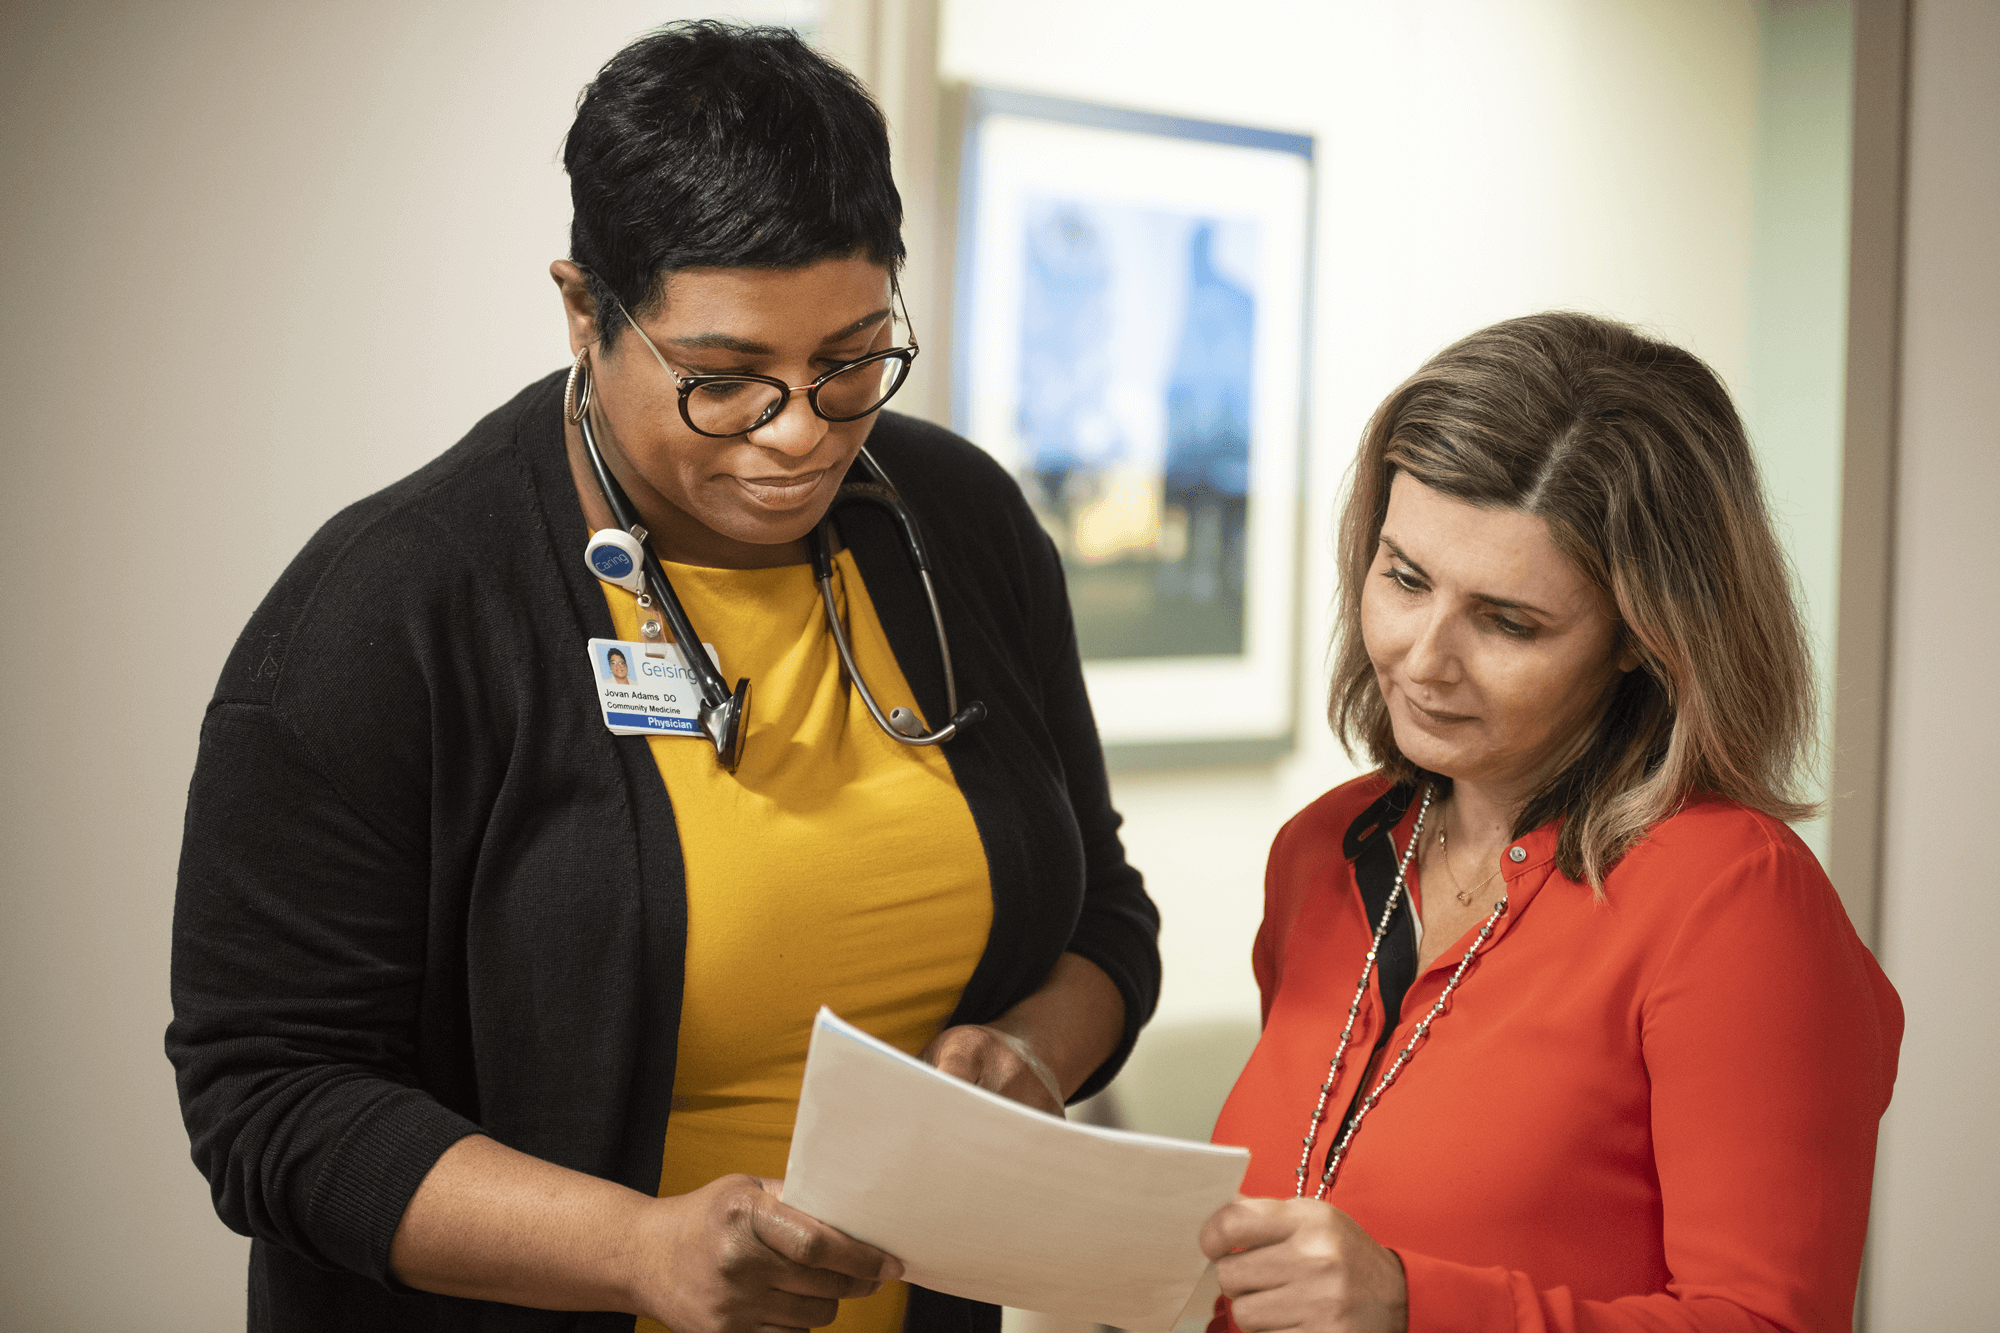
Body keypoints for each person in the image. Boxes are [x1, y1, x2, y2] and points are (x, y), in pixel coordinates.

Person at [167, 22, 1158, 1333]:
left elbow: (1105, 915)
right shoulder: (387, 616)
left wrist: (1031, 1053)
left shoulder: (957, 527)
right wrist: (640, 1252)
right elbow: (274, 1099)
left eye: (853, 358)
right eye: (725, 379)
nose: (802, 433)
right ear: (586, 311)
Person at [1197, 313, 1900, 1333]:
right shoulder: (1323, 852)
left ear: (1641, 639)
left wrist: (1414, 1305)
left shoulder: (1735, 897)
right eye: (1403, 578)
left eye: (1506, 621)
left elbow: (1767, 1322)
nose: (1421, 657)